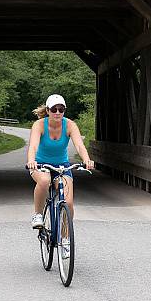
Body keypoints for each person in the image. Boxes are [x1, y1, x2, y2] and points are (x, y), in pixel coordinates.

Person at [26, 94, 94, 229]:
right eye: (54, 109)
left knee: (68, 203)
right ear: (47, 111)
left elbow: (79, 145)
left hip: (62, 166)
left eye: (61, 109)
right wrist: (31, 161)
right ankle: (38, 215)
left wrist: (86, 159)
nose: (57, 112)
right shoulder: (39, 125)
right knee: (44, 181)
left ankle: (65, 239)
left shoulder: (70, 125)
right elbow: (33, 146)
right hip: (41, 164)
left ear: (64, 111)